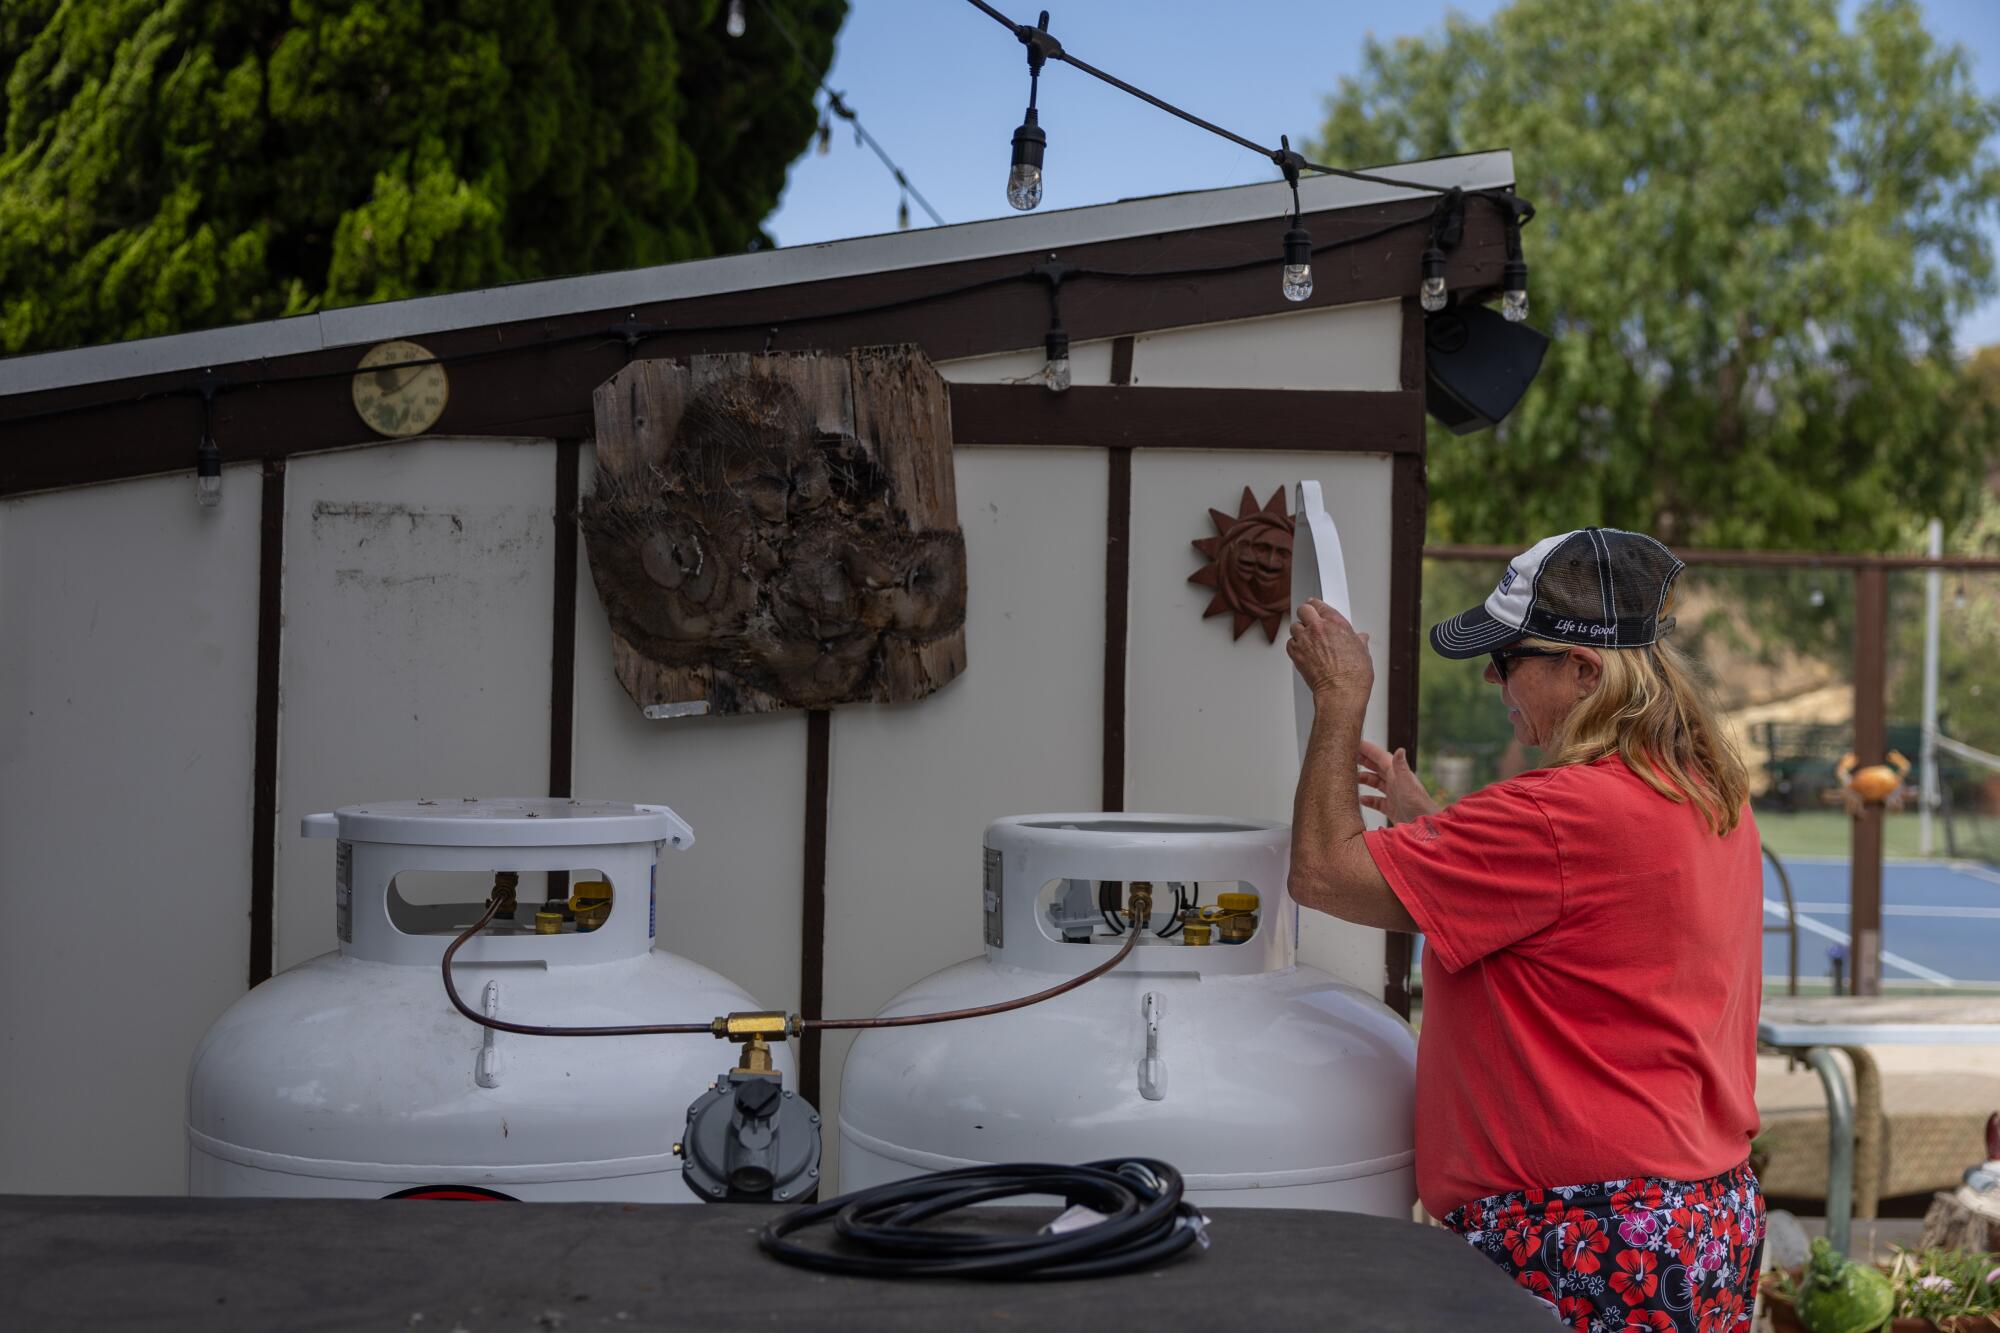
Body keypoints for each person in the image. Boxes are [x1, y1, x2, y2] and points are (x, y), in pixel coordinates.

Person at [1286, 528, 1765, 1333]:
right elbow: (1585, 931)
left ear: (1584, 668)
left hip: (1584, 1237)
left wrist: (1339, 699)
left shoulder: (1557, 813)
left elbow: (1323, 872)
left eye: (1510, 657)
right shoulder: (1709, 793)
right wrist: (1437, 834)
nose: (1491, 675)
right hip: (1701, 1221)